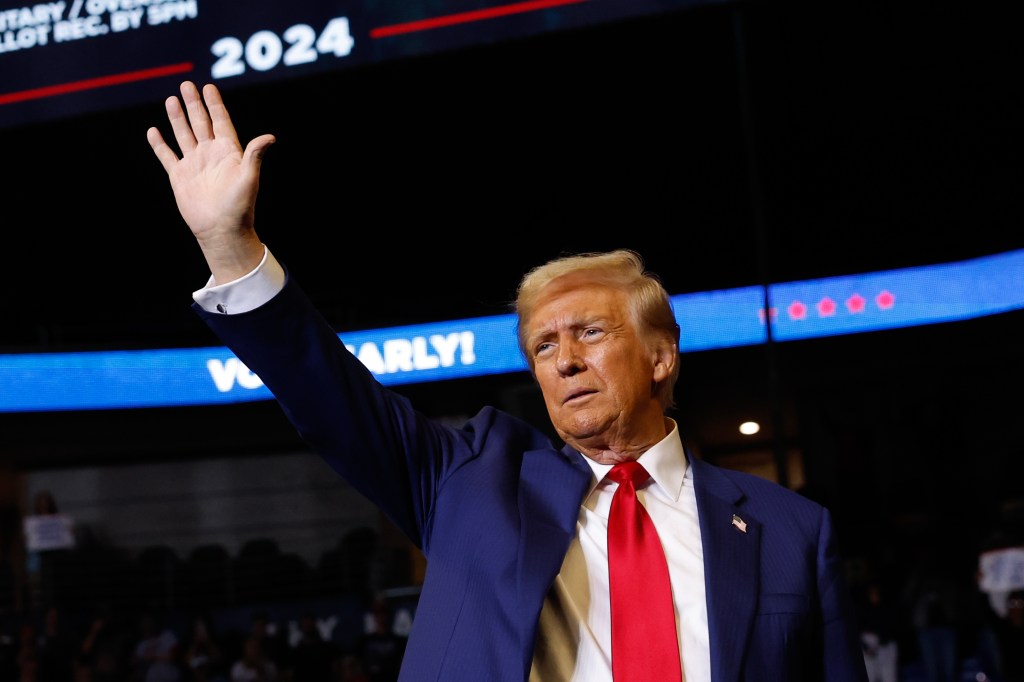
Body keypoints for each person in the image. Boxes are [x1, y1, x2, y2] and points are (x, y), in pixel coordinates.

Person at [147, 80, 869, 682]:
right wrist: (229, 246)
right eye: (543, 345)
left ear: (660, 357)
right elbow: (331, 400)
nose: (563, 360)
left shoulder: (792, 531)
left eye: (590, 332)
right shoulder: (470, 481)